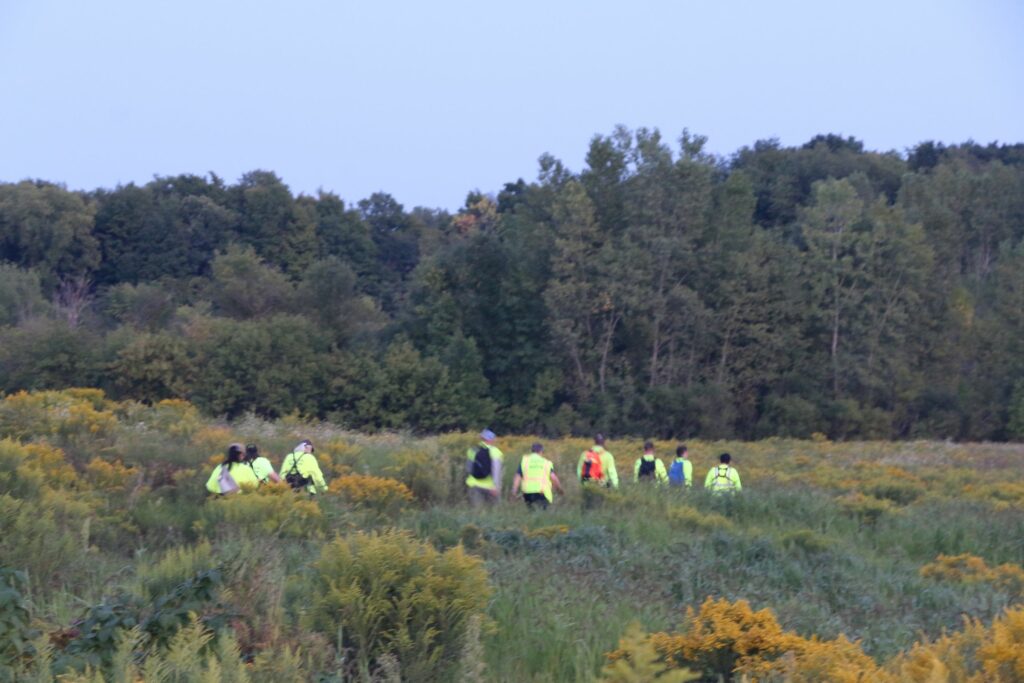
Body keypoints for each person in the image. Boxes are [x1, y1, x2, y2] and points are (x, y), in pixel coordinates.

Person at [511, 443, 563, 509]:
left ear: (531, 451)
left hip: (527, 493)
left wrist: (514, 492)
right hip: (542, 493)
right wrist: (559, 490)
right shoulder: (546, 463)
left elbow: (517, 477)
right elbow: (553, 478)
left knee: (531, 513)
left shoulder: (525, 461)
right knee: (542, 515)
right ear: (541, 451)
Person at [466, 429, 503, 506]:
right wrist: (496, 487)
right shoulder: (495, 451)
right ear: (491, 440)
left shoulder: (472, 450)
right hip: (490, 487)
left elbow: (468, 469)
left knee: (477, 513)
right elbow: (496, 471)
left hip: (473, 485)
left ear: (482, 438)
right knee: (494, 513)